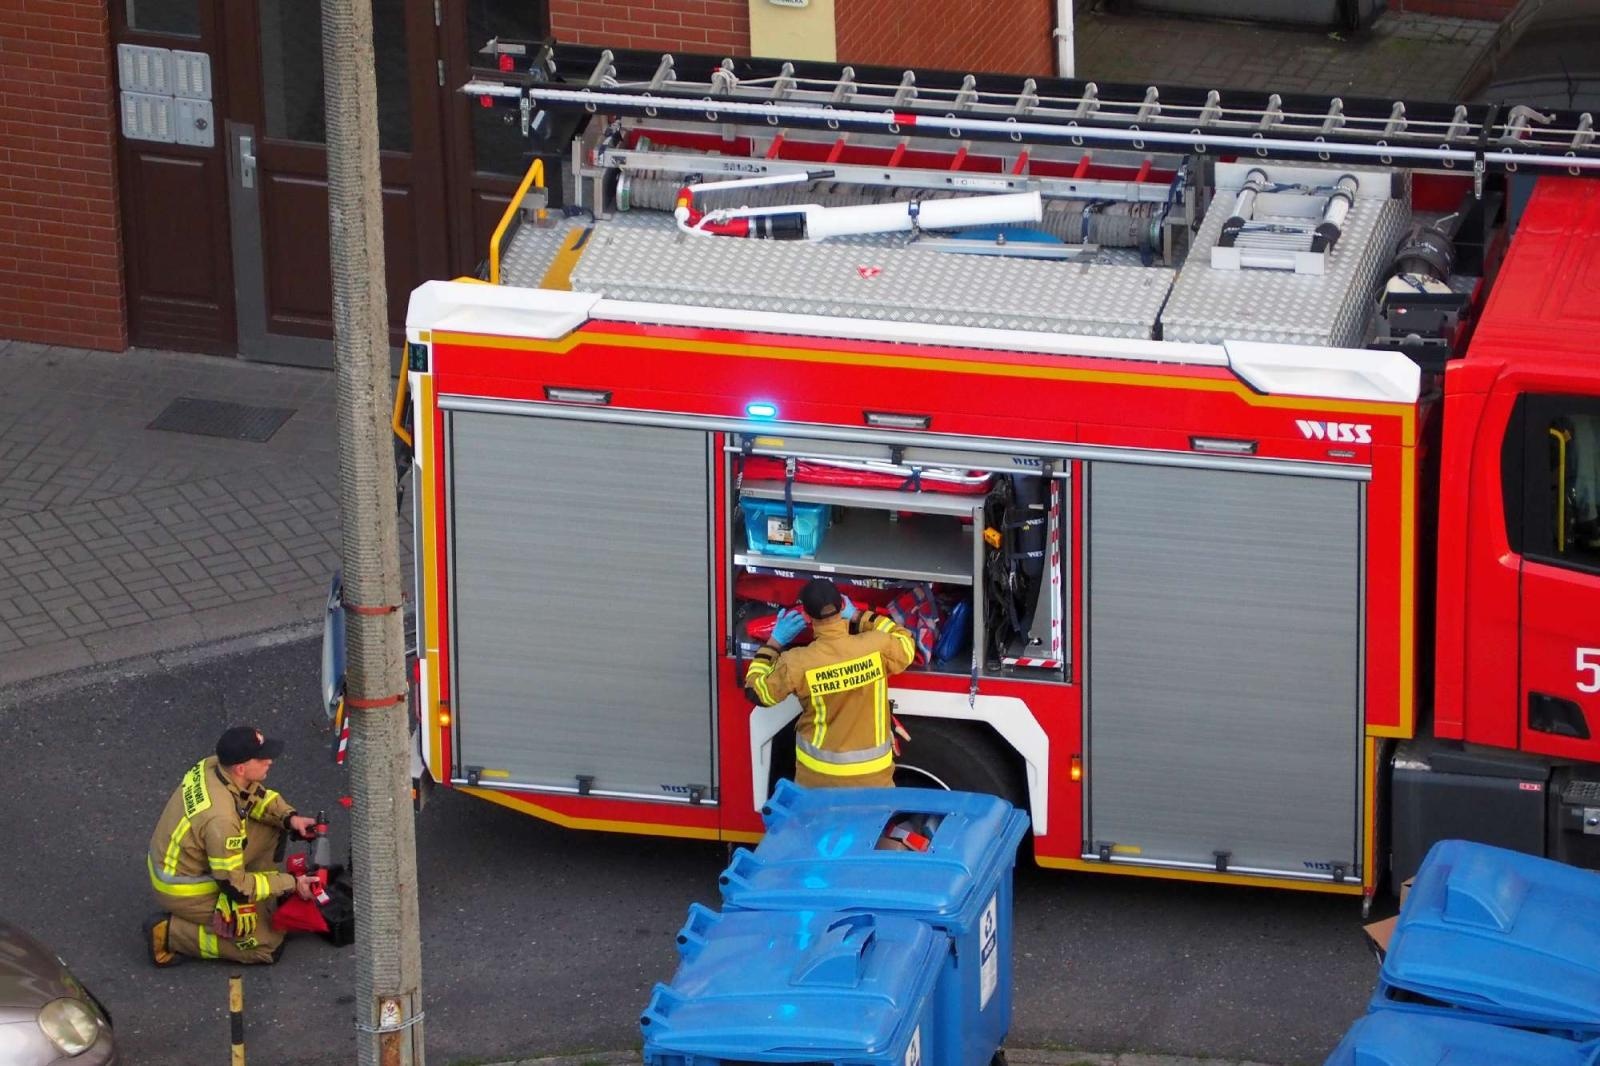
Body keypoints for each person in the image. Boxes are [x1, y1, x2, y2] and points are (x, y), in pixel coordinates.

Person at [144, 726, 319, 965]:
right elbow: (235, 885)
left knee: (274, 826)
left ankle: (262, 899)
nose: (270, 761)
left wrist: (290, 818)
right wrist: (292, 884)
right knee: (267, 946)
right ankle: (171, 934)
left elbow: (253, 797)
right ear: (241, 768)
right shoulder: (222, 820)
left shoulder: (215, 765)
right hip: (183, 887)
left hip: (192, 859)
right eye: (262, 757)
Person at [744, 577, 917, 788]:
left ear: (806, 615)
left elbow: (757, 692)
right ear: (842, 605)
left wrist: (774, 642)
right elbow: (906, 642)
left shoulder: (797, 662)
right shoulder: (877, 645)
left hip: (818, 781)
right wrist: (858, 615)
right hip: (874, 781)